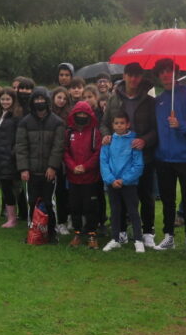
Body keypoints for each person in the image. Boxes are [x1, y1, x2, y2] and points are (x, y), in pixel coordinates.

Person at [101, 63, 158, 247]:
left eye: (137, 75)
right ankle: (122, 231)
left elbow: (156, 129)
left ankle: (147, 231)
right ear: (124, 76)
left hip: (143, 154)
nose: (134, 79)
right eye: (130, 75)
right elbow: (104, 123)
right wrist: (106, 135)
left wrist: (145, 140)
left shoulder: (149, 101)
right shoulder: (114, 99)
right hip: (119, 157)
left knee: (146, 195)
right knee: (121, 196)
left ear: (141, 77)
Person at [151, 59, 186, 254]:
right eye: (162, 71)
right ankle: (168, 236)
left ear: (176, 73)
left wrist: (180, 125)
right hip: (163, 158)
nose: (166, 74)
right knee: (167, 200)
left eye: (170, 70)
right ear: (158, 75)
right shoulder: (159, 100)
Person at [16, 86, 66, 242]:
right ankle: (33, 232)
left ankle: (52, 233)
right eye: (37, 99)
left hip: (49, 172)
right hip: (31, 171)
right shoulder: (25, 122)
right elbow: (21, 146)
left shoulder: (57, 122)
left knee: (49, 203)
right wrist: (23, 168)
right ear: (32, 101)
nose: (39, 102)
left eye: (42, 99)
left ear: (47, 101)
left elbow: (58, 147)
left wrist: (52, 167)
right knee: (32, 202)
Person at [100, 112, 146, 253]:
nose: (119, 126)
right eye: (116, 123)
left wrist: (124, 179)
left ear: (128, 125)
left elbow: (138, 165)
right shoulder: (108, 141)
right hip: (112, 183)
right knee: (115, 211)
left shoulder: (134, 141)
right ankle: (115, 239)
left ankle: (138, 240)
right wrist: (111, 180)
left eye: (122, 123)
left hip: (129, 184)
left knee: (133, 212)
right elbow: (104, 162)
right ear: (112, 125)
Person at [63, 99, 102, 248]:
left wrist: (85, 167)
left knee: (90, 207)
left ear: (89, 116)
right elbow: (65, 152)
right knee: (75, 207)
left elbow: (98, 153)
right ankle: (77, 233)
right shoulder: (69, 132)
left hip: (90, 178)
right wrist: (73, 166)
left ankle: (92, 234)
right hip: (73, 177)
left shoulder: (95, 133)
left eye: (84, 114)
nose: (81, 116)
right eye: (78, 114)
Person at [0, 88, 21, 228]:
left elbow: (18, 138)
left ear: (13, 100)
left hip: (9, 158)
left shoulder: (16, 116)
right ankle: (10, 217)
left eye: (8, 99)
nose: (5, 102)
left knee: (11, 188)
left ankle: (14, 218)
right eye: (2, 99)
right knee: (4, 187)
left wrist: (12, 153)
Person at [50, 86, 73, 233]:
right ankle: (59, 221)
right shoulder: (48, 114)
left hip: (67, 156)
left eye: (64, 98)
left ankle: (68, 218)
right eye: (59, 97)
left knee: (67, 191)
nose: (61, 101)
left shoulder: (70, 114)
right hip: (53, 156)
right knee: (56, 191)